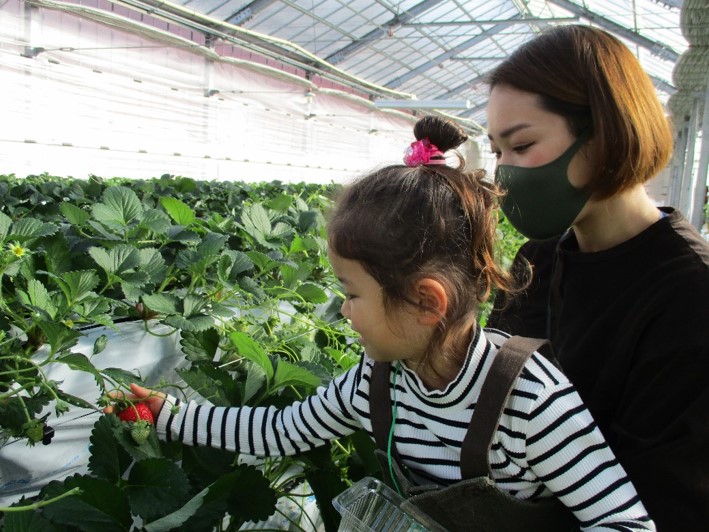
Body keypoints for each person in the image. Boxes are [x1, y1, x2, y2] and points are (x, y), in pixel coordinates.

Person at [111, 116, 655, 530]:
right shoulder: (376, 384)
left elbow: (627, 522)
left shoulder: (531, 401)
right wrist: (167, 416)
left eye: (352, 293)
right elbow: (277, 431)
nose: (344, 310)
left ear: (426, 302)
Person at [485, 24, 709, 531]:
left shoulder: (689, 296)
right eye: (498, 151)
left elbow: (670, 503)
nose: (504, 173)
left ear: (603, 132)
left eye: (521, 145)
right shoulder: (537, 261)